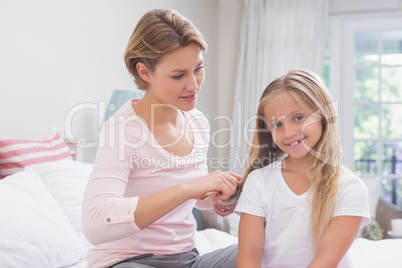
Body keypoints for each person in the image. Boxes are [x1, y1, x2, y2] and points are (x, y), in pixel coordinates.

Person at [82, 8, 241, 268]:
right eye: (178, 75)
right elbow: (96, 223)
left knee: (266, 252)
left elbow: (194, 196)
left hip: (188, 258)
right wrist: (187, 190)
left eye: (198, 69)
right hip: (130, 261)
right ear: (145, 72)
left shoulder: (197, 122)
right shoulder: (123, 130)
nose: (193, 85)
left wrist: (216, 197)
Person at [235, 69, 371, 268]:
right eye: (277, 124)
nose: (289, 132)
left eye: (298, 118)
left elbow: (325, 261)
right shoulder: (258, 182)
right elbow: (248, 258)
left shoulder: (350, 187)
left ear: (323, 116)